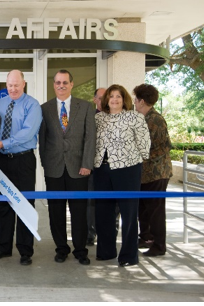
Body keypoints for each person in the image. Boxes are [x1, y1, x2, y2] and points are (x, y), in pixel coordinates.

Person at [0, 69, 42, 266]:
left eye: (16, 85)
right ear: (6, 85)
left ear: (23, 84)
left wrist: (2, 143)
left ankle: (25, 251)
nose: (13, 89)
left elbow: (28, 133)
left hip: (23, 160)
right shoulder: (0, 103)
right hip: (1, 160)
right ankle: (3, 247)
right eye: (10, 85)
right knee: (1, 205)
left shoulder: (32, 105)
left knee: (24, 204)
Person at [39, 70, 96, 266]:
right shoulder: (44, 108)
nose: (61, 85)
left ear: (72, 84)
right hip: (54, 168)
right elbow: (42, 139)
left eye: (65, 82)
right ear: (53, 85)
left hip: (78, 168)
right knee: (56, 212)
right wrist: (45, 163)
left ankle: (81, 250)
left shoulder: (86, 107)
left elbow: (90, 138)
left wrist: (87, 164)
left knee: (79, 211)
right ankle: (61, 249)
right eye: (57, 82)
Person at [93, 84, 150, 267]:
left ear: (124, 99)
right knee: (103, 213)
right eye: (111, 96)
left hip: (128, 169)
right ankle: (106, 251)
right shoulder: (99, 118)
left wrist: (138, 162)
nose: (115, 99)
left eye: (118, 96)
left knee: (129, 214)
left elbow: (144, 142)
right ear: (106, 100)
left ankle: (128, 255)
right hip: (102, 169)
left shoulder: (134, 117)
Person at [133, 84, 172, 257]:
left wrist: (137, 156)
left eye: (135, 99)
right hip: (145, 174)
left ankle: (159, 245)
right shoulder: (144, 118)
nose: (134, 102)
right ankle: (146, 237)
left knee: (156, 210)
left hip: (157, 174)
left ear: (141, 101)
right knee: (144, 209)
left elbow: (162, 148)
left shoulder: (155, 119)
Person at [86, 87, 109, 246]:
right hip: (93, 167)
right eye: (101, 98)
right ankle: (89, 234)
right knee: (90, 203)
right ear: (94, 99)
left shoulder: (114, 117)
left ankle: (108, 234)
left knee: (110, 204)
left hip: (111, 168)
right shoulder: (89, 117)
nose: (104, 101)